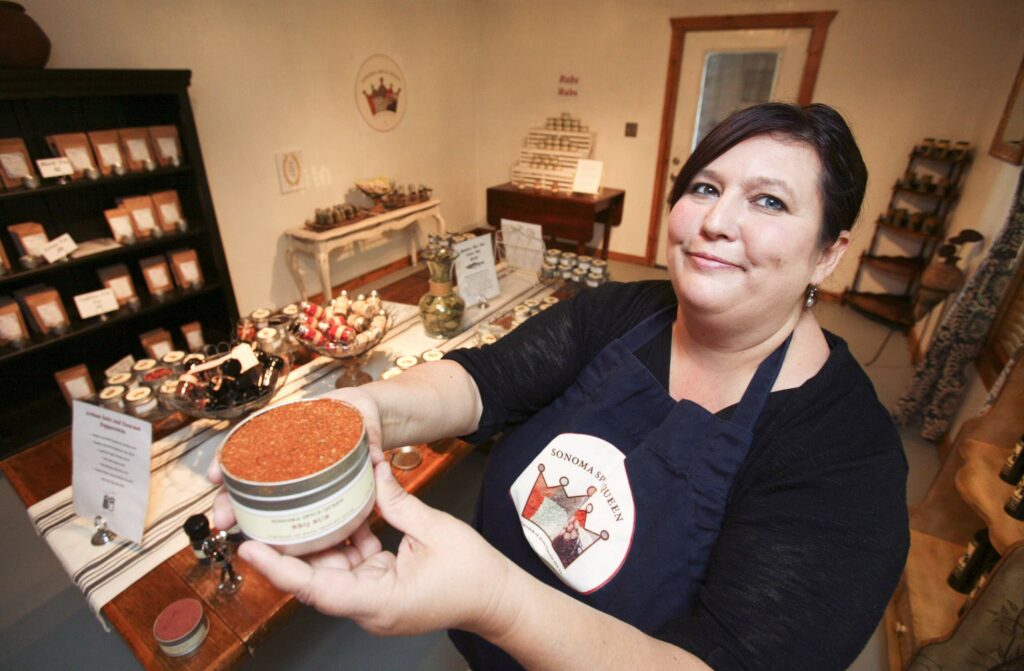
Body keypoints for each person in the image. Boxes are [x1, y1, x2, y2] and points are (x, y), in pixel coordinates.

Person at [210, 102, 909, 670]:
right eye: (705, 188)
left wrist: (496, 600)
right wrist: (369, 407)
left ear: (829, 252)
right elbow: (485, 380)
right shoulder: (620, 314)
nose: (717, 222)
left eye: (769, 202)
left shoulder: (846, 460)